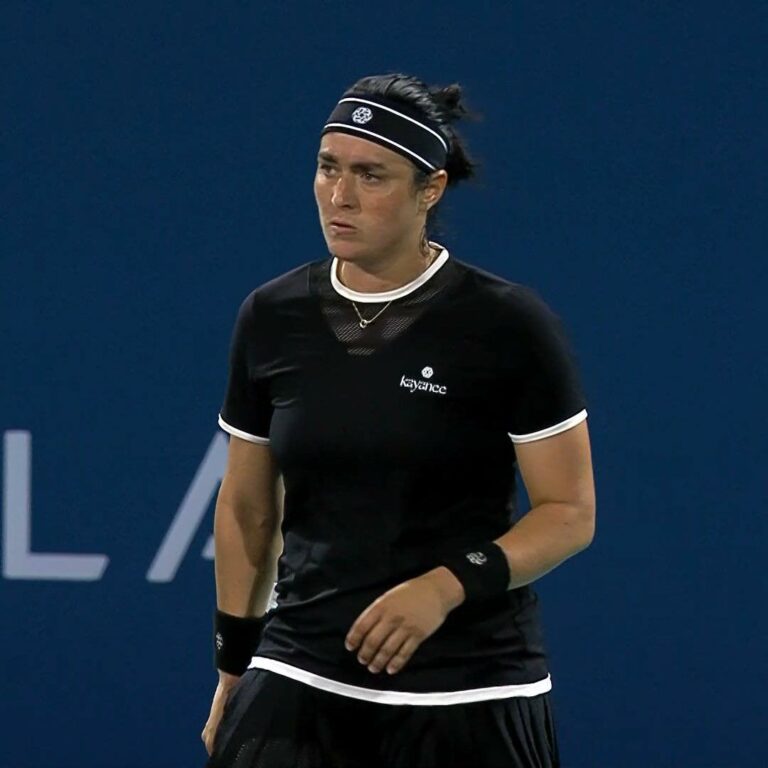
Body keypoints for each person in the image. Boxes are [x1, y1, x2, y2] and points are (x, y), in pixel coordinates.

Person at [202, 72, 595, 768]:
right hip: (300, 672)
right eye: (328, 167)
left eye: (371, 175)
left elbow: (569, 513)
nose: (340, 196)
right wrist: (235, 664)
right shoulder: (271, 315)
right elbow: (247, 508)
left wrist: (445, 586)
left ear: (430, 190)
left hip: (472, 689)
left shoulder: (507, 324)